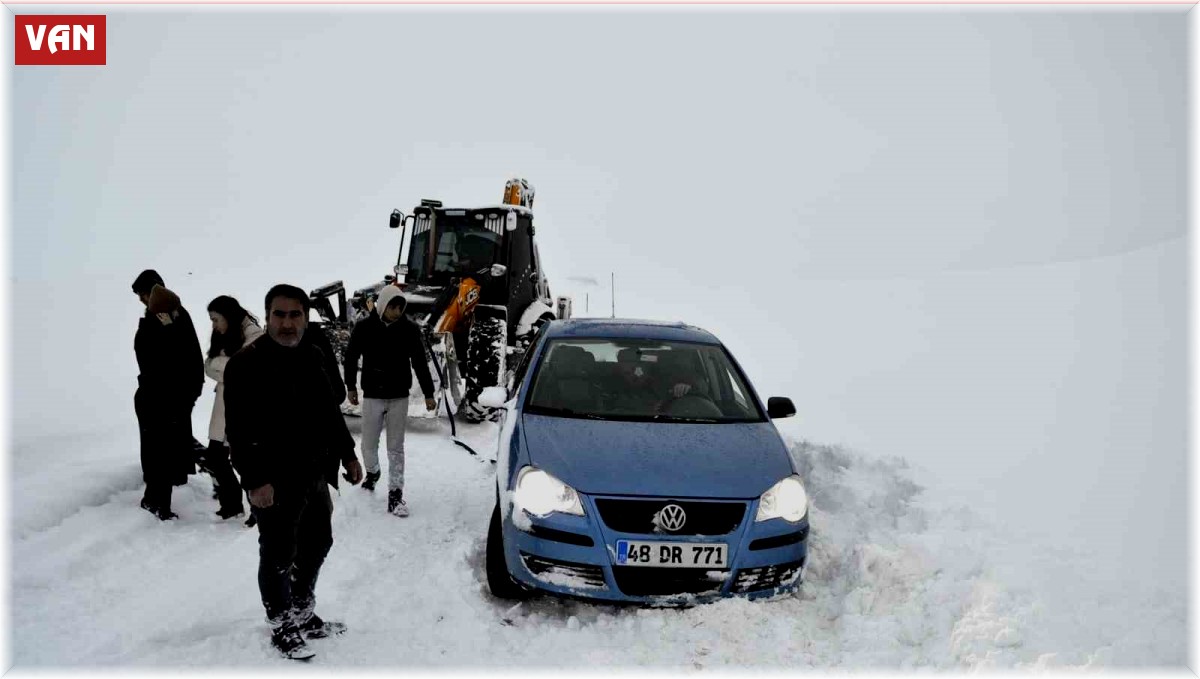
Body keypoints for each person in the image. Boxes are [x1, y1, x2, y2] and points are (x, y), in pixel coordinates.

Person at [224, 284, 364, 660]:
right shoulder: (246, 364)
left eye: (295, 315)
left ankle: (302, 610)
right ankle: (282, 622)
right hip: (272, 478)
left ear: (305, 316)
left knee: (319, 542)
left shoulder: (313, 355)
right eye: (279, 315)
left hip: (313, 471)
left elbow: (329, 413)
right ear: (267, 316)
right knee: (278, 553)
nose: (287, 323)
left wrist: (348, 455)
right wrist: (254, 481)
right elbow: (236, 430)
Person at [343, 285, 436, 517]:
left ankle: (395, 494)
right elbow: (351, 357)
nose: (397, 311)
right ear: (383, 305)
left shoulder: (409, 330)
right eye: (393, 307)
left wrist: (428, 393)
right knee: (368, 445)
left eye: (400, 307)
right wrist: (351, 387)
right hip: (373, 395)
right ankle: (373, 472)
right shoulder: (364, 327)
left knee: (395, 448)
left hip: (398, 396)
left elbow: (420, 362)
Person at [131, 269, 204, 521]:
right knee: (159, 451)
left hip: (166, 398)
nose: (142, 299)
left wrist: (190, 393)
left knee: (162, 451)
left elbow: (185, 357)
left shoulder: (172, 317)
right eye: (141, 296)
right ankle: (155, 500)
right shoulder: (161, 318)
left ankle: (156, 501)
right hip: (158, 397)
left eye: (145, 294)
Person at [202, 295, 265, 519]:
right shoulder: (225, 335)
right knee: (216, 457)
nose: (214, 325)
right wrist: (228, 369)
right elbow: (208, 366)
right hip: (223, 405)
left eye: (216, 319)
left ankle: (257, 508)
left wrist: (226, 369)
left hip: (246, 408)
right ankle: (231, 505)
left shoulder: (254, 334)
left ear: (228, 316)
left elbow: (245, 370)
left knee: (246, 460)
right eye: (211, 320)